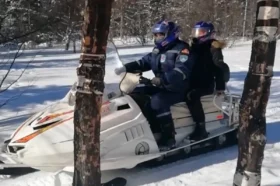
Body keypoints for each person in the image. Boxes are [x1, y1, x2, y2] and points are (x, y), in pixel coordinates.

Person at [114, 20, 193, 150]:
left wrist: (163, 79)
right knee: (136, 93)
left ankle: (169, 137)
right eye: (155, 35)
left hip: (178, 89)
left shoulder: (182, 50)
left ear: (170, 34)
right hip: (161, 86)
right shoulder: (158, 50)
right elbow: (144, 62)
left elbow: (181, 71)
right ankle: (149, 127)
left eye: (160, 34)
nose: (157, 37)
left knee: (157, 101)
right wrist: (125, 68)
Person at [186, 21, 230, 141]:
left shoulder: (214, 49)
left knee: (192, 96)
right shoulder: (193, 47)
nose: (197, 35)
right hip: (193, 81)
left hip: (206, 84)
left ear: (209, 33)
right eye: (196, 32)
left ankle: (201, 128)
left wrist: (220, 87)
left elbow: (219, 68)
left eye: (201, 32)